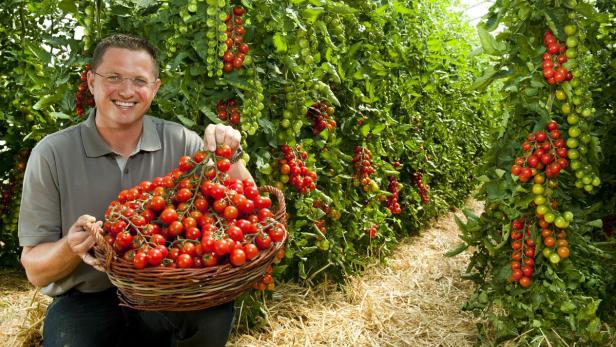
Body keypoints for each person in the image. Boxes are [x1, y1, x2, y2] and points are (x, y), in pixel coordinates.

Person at [18, 34, 252, 347]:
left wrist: (230, 153)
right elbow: (35, 270)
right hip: (87, 300)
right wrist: (70, 247)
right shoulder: (52, 154)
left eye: (139, 80)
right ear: (91, 81)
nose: (126, 91)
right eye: (114, 77)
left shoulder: (183, 143)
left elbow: (254, 210)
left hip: (165, 295)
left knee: (212, 315)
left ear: (154, 88)